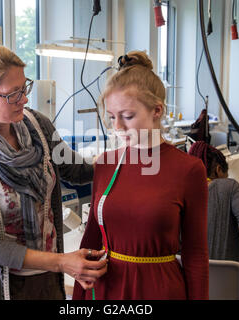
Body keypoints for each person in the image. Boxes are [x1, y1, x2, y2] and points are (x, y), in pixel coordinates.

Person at [0, 44, 107, 300]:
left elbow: (75, 170)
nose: (24, 99)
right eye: (13, 94)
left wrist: (121, 159)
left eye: (24, 88)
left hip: (46, 281)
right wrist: (61, 262)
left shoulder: (37, 126)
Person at [72, 51, 209, 300]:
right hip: (107, 288)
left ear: (157, 110)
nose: (117, 127)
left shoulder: (189, 170)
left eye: (127, 116)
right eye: (112, 117)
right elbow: (90, 240)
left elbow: (196, 254)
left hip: (159, 289)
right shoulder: (105, 164)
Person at [188, 141, 239, 263]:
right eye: (225, 175)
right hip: (224, 280)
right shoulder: (230, 186)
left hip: (187, 277)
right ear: (218, 170)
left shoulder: (180, 188)